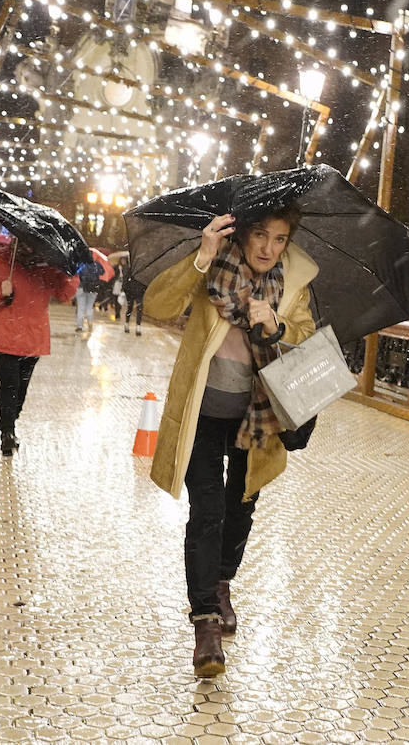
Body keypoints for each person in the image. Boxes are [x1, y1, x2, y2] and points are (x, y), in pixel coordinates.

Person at [143, 206, 317, 677]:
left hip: (255, 414)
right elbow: (157, 305)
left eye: (279, 239)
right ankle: (206, 626)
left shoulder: (292, 284)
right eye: (260, 235)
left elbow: (305, 336)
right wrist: (201, 256)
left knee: (241, 505)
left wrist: (275, 326)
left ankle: (221, 583)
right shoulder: (212, 266)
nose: (268, 248)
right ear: (242, 235)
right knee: (207, 511)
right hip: (202, 411)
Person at [0, 240, 79, 456]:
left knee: (21, 388)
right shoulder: (2, 258)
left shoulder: (48, 265)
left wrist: (72, 273)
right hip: (5, 335)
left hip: (33, 337)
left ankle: (10, 422)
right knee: (9, 384)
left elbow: (64, 294)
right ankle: (7, 431)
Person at [75, 259, 102, 332]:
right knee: (89, 307)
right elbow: (102, 272)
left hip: (81, 287)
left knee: (81, 307)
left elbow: (75, 273)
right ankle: (90, 324)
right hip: (92, 288)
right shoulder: (96, 264)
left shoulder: (80, 264)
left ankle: (79, 326)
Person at [123, 265, 146, 336]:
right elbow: (125, 282)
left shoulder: (145, 269)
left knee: (139, 309)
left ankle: (138, 327)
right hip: (131, 292)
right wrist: (127, 291)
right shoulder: (131, 269)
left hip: (140, 292)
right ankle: (127, 324)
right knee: (130, 308)